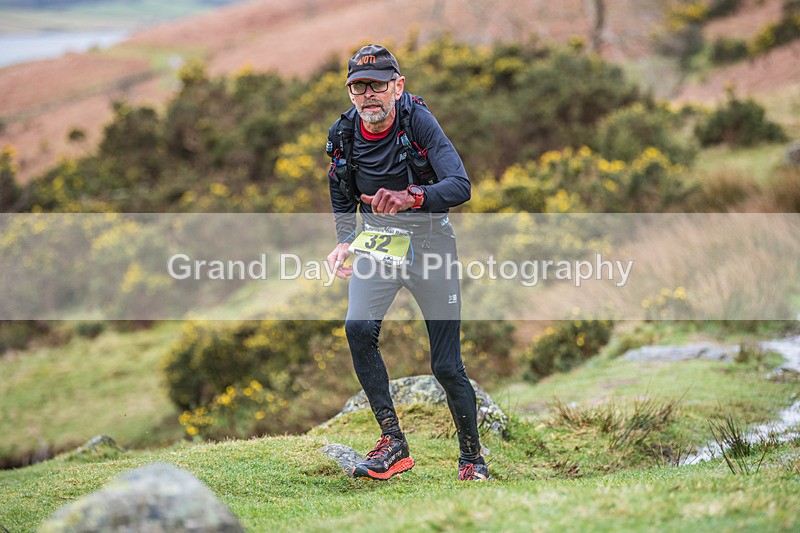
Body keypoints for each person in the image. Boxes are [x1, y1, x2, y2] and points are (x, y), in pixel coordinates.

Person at [325, 44, 488, 481]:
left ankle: (472, 459)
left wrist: (412, 196)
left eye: (377, 84)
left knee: (446, 366)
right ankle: (393, 444)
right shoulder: (343, 134)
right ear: (350, 93)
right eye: (358, 87)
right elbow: (340, 188)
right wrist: (344, 242)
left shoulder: (418, 121)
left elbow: (460, 185)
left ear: (397, 87)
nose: (368, 94)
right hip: (379, 246)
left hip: (432, 246)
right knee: (357, 327)